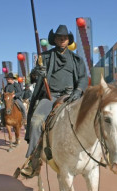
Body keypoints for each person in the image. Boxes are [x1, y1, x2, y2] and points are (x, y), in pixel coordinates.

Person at [21, 25, 88, 176]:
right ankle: (33, 161)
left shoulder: (77, 60)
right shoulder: (44, 57)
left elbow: (83, 78)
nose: (62, 40)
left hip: (71, 97)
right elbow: (31, 78)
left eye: (65, 38)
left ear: (68, 40)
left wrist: (78, 91)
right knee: (36, 122)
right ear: (55, 40)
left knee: (90, 118)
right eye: (59, 37)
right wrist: (36, 73)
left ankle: (94, 155)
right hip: (50, 97)